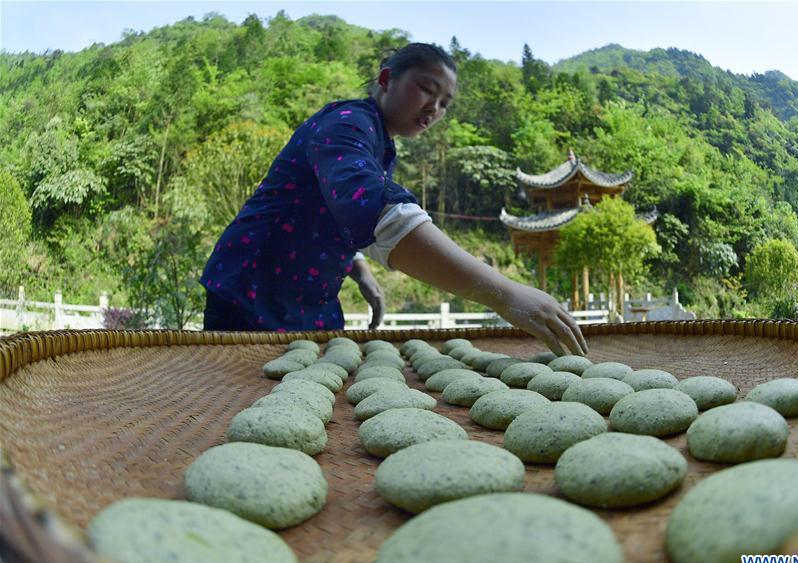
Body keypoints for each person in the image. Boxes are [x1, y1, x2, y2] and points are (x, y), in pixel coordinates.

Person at [200, 43, 587, 356]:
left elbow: (327, 210)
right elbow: (365, 205)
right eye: (426, 89)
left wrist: (358, 268)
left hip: (309, 297)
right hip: (253, 290)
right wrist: (505, 294)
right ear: (387, 79)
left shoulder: (379, 144)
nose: (435, 108)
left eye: (445, 102)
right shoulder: (346, 122)